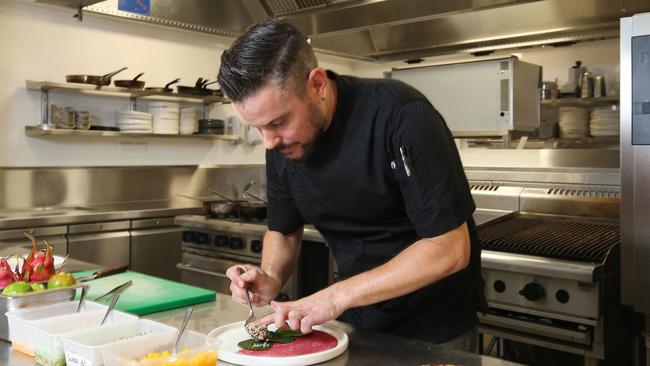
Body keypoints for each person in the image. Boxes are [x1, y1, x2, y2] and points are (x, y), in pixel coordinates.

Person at [219, 19, 484, 351]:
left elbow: (450, 249)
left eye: (277, 122)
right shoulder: (281, 143)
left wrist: (334, 297)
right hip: (356, 322)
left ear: (317, 84)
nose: (269, 142)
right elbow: (284, 230)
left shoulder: (401, 115)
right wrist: (269, 278)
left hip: (434, 328)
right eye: (257, 128)